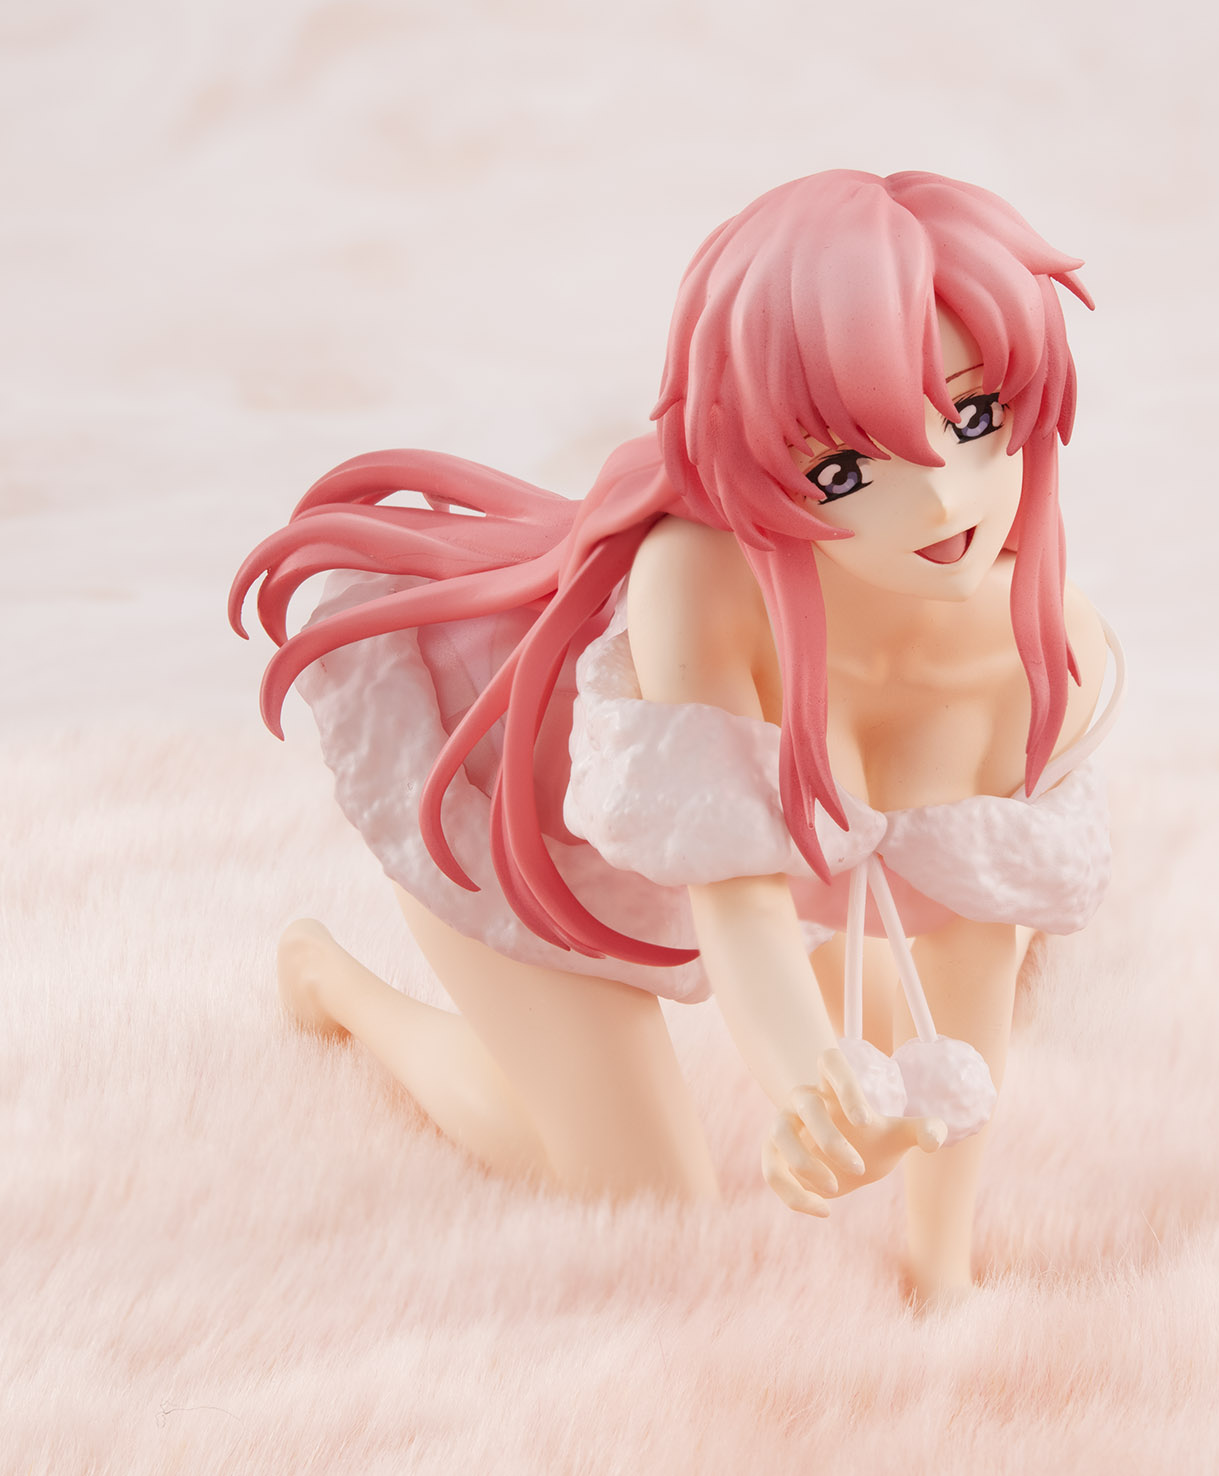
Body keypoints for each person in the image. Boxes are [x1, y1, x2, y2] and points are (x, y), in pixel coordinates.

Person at [229, 169, 1121, 1300]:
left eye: (976, 417)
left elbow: (974, 956)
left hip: (774, 857)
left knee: (910, 1012)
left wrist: (937, 1277)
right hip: (529, 835)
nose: (943, 501)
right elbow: (735, 900)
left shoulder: (1046, 649)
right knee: (644, 1193)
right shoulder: (698, 584)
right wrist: (807, 1094)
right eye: (847, 469)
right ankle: (338, 985)